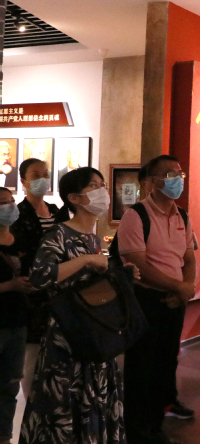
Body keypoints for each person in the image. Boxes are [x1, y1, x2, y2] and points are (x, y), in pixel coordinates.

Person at [19, 167, 135, 444]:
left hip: (93, 332)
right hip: (67, 336)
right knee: (64, 404)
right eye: (94, 186)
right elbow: (39, 277)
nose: (103, 191)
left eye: (103, 185)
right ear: (74, 198)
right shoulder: (59, 233)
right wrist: (86, 260)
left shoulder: (92, 238)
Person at [118, 155, 196, 444]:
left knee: (165, 364)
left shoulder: (182, 216)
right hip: (145, 300)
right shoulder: (135, 216)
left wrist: (186, 288)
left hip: (174, 301)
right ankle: (137, 431)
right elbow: (140, 264)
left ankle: (155, 426)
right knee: (142, 368)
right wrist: (181, 288)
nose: (178, 179)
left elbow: (189, 258)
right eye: (170, 174)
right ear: (152, 182)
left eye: (180, 173)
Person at [9, 159, 59, 400]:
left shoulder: (56, 211)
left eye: (45, 174)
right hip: (32, 292)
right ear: (24, 181)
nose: (42, 179)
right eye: (35, 175)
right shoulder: (18, 214)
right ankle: (32, 403)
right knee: (31, 355)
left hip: (58, 289)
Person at [0, 188, 32, 444]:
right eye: (3, 203)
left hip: (18, 321)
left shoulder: (20, 240)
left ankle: (4, 436)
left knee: (10, 384)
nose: (10, 206)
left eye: (12, 201)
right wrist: (10, 286)